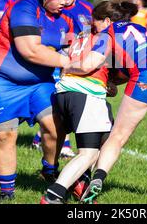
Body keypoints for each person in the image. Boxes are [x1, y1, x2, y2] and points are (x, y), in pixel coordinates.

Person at [63, 1, 147, 204]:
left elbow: (89, 64)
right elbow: (137, 60)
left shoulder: (106, 33)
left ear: (106, 21)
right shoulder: (142, 28)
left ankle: (97, 180)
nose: (93, 28)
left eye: (95, 23)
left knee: (117, 136)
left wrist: (64, 66)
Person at [0, 0, 73, 200]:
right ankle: (7, 191)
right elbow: (29, 50)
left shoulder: (65, 18)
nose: (64, 2)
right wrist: (69, 62)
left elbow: (77, 47)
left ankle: (49, 172)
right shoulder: (24, 8)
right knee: (5, 135)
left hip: (39, 82)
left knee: (56, 126)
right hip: (2, 79)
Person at [40, 26, 120, 204]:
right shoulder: (105, 36)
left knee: (106, 139)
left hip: (65, 92)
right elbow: (88, 66)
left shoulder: (82, 35)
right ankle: (54, 195)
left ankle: (81, 184)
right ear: (108, 20)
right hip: (85, 95)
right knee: (89, 153)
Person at [32, 0, 93, 158]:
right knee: (60, 94)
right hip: (59, 52)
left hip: (78, 52)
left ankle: (38, 138)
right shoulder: (56, 8)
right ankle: (63, 143)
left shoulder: (86, 7)